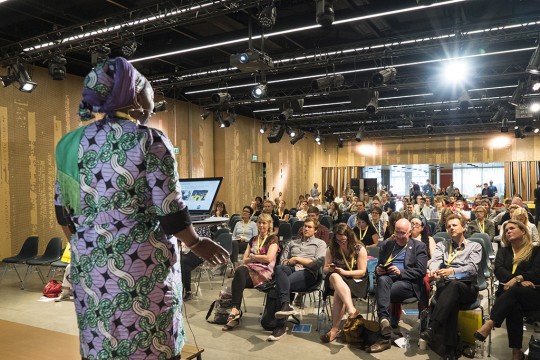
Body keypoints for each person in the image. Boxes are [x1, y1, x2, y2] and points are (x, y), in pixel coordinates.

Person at [54, 57, 228, 360]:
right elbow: (170, 210)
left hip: (91, 272)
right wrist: (196, 243)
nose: (153, 100)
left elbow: (62, 213)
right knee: (148, 344)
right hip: (142, 271)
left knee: (102, 345)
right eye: (150, 92)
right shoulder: (148, 139)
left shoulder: (69, 144)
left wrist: (92, 248)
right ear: (134, 95)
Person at [474, 220, 540, 360]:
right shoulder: (504, 251)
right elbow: (498, 270)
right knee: (514, 306)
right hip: (508, 293)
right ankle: (516, 353)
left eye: (512, 228)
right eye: (506, 229)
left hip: (532, 294)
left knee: (514, 292)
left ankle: (490, 323)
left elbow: (536, 273)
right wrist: (520, 279)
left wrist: (517, 279)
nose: (508, 231)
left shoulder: (536, 251)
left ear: (523, 231)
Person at [421, 214, 482, 360]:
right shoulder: (442, 245)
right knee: (451, 300)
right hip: (446, 285)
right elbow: (434, 261)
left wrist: (453, 271)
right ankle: (450, 350)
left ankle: (433, 327)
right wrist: (434, 270)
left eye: (454, 225)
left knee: (454, 286)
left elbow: (472, 269)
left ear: (464, 227)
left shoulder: (474, 246)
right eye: (448, 226)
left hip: (467, 286)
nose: (451, 228)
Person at [269, 218, 326, 341]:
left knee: (282, 284)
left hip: (308, 274)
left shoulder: (320, 243)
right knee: (279, 269)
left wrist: (297, 260)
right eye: (305, 226)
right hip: (291, 269)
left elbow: (317, 263)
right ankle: (285, 305)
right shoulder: (292, 243)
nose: (306, 229)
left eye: (309, 227)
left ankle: (280, 326)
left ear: (315, 230)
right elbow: (282, 261)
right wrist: (291, 263)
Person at [223, 213, 279, 331]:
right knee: (240, 270)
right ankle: (236, 310)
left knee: (240, 272)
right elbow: (245, 259)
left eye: (264, 223)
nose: (261, 225)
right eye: (259, 222)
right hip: (250, 270)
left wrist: (253, 257)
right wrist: (257, 257)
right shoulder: (253, 239)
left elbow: (269, 258)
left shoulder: (273, 239)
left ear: (269, 225)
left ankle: (235, 312)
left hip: (264, 272)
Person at [376, 218, 428, 334]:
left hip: (407, 282)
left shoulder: (419, 246)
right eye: (397, 232)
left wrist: (401, 272)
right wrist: (378, 270)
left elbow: (421, 271)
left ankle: (383, 319)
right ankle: (384, 319)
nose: (399, 236)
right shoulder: (387, 245)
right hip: (388, 278)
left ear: (409, 232)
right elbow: (380, 264)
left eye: (402, 233)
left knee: (383, 291)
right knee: (383, 280)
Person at [320, 224, 368, 343]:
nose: (341, 243)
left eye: (343, 240)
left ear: (349, 237)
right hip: (335, 278)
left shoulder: (359, 248)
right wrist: (330, 269)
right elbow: (325, 269)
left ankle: (334, 331)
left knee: (338, 293)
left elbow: (362, 272)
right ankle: (351, 310)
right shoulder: (332, 248)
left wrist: (345, 272)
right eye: (338, 240)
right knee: (336, 277)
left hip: (354, 279)